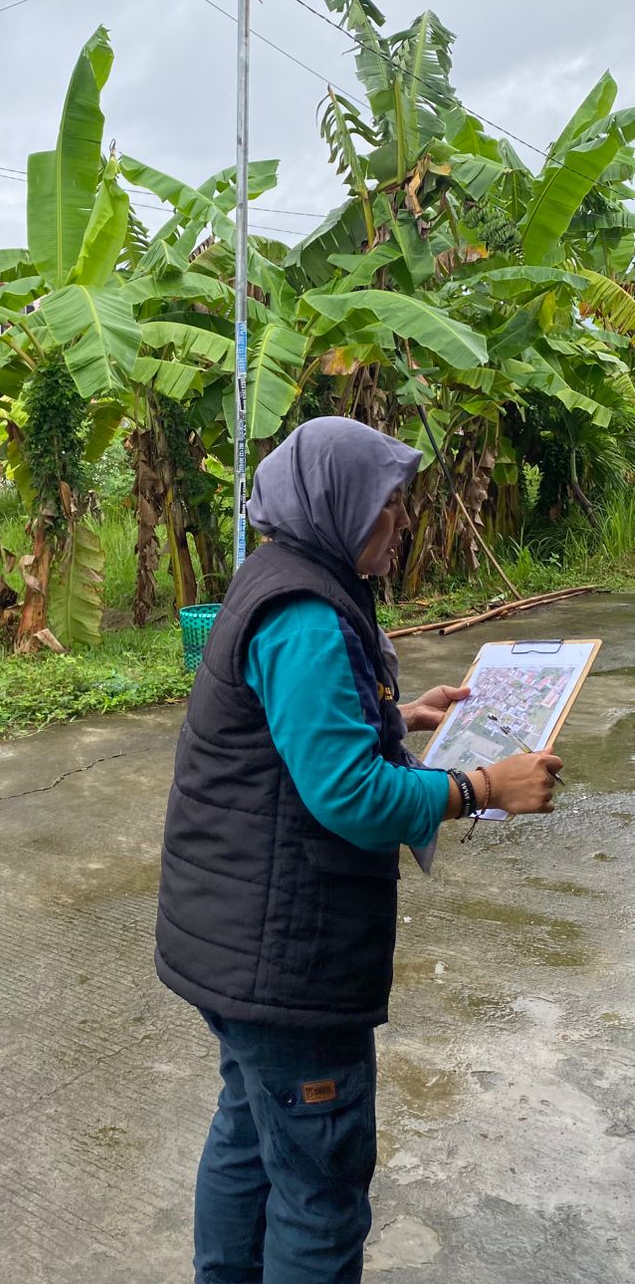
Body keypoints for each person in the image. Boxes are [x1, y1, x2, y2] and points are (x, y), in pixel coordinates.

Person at [154, 416, 563, 1284]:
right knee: (319, 1187)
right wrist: (482, 788)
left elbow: (300, 731)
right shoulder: (303, 614)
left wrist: (399, 714)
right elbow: (346, 794)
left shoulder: (288, 576)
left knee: (248, 1133)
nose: (402, 524)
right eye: (389, 508)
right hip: (286, 960)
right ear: (337, 507)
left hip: (234, 945)